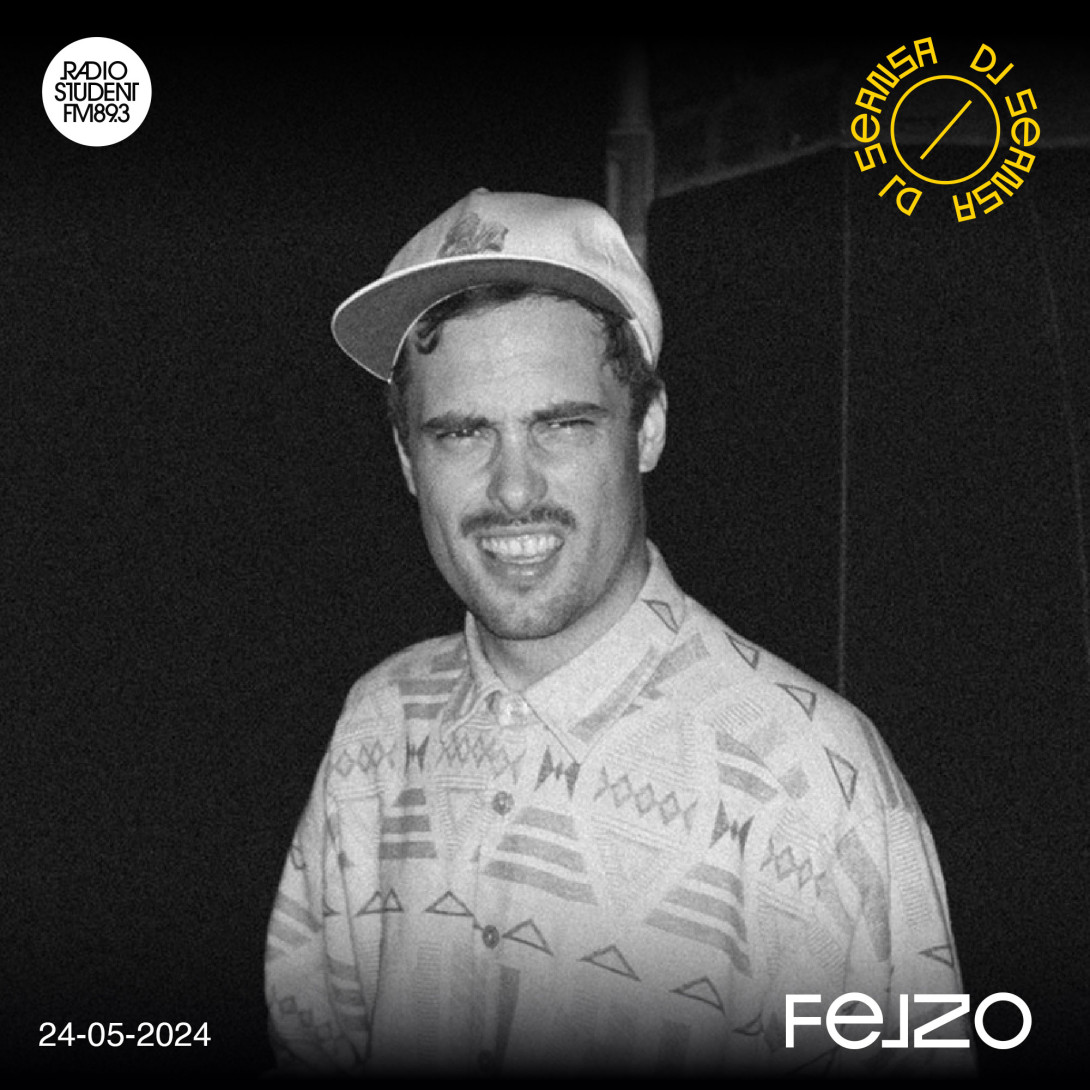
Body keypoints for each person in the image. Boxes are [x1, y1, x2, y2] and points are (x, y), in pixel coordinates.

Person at [264, 188, 972, 1076]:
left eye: (561, 426)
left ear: (648, 430)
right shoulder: (376, 727)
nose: (513, 489)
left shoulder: (812, 783)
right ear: (409, 460)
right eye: (461, 434)